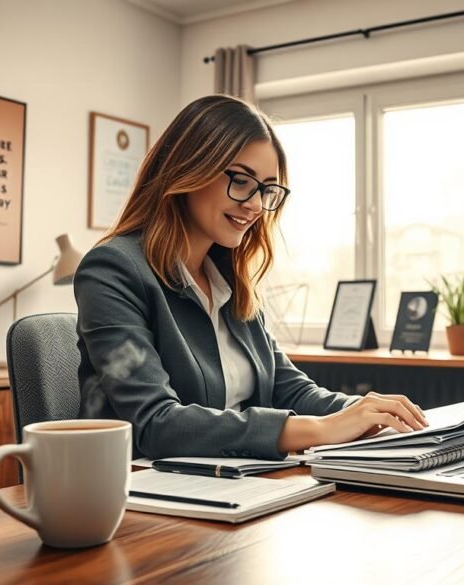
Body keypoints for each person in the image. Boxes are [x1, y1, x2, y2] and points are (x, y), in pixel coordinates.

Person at [74, 95, 427, 460]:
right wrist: (322, 429)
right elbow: (155, 423)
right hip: (140, 493)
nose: (256, 205)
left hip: (235, 480)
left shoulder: (230, 281)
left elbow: (288, 390)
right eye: (242, 181)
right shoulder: (113, 270)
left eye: (267, 189)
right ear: (188, 169)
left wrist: (368, 412)